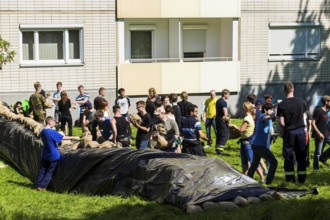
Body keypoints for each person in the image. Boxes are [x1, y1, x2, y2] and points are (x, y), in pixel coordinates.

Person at [35, 116, 79, 191]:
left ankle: (37, 184)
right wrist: (74, 137)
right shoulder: (51, 132)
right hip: (53, 155)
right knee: (49, 171)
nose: (55, 123)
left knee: (42, 169)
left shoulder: (42, 131)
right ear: (49, 122)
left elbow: (49, 141)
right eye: (53, 122)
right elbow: (62, 137)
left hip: (45, 154)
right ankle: (42, 186)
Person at [277, 82, 307, 183]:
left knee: (288, 156)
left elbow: (281, 122)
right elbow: (304, 117)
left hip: (289, 132)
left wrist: (285, 130)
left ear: (284, 90)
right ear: (293, 89)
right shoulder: (301, 102)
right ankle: (302, 179)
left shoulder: (281, 104)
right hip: (301, 132)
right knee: (301, 155)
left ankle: (290, 180)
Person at [228, 102, 264, 181]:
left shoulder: (247, 118)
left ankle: (262, 178)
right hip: (244, 143)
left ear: (245, 108)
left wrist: (233, 126)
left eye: (243, 107)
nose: (241, 109)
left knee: (252, 161)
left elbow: (241, 130)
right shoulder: (250, 117)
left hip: (248, 143)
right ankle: (244, 179)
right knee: (244, 162)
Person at [247, 103, 278, 184]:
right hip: (259, 145)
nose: (271, 111)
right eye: (270, 110)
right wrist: (274, 113)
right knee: (274, 162)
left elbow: (270, 131)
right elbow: (267, 118)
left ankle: (247, 180)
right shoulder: (262, 116)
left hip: (257, 144)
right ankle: (268, 181)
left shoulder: (269, 120)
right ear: (265, 110)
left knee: (255, 164)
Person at [311, 95, 330, 171]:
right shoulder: (318, 110)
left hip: (327, 134)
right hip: (319, 135)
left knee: (320, 154)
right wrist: (319, 133)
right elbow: (313, 123)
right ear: (326, 102)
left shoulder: (327, 111)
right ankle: (316, 169)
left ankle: (323, 158)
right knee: (318, 152)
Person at [215, 89, 230, 155]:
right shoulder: (224, 102)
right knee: (225, 135)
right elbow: (225, 114)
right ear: (225, 94)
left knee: (219, 134)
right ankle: (220, 150)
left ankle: (217, 148)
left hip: (217, 119)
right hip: (222, 120)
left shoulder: (218, 101)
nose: (228, 96)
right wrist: (228, 119)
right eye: (228, 95)